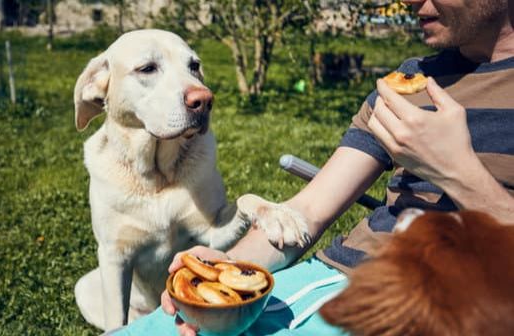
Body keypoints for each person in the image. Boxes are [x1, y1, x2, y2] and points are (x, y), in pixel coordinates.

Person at [111, 0, 514, 334]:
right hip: (326, 283)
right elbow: (308, 212)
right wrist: (232, 270)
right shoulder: (411, 80)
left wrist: (456, 171)